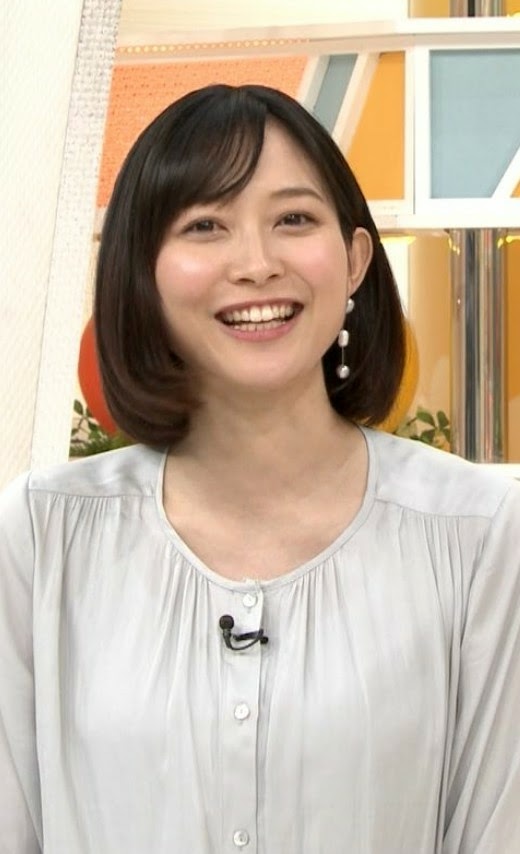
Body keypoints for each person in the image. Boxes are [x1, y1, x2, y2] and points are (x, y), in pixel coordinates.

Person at [1, 83, 519, 854]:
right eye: (205, 225)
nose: (256, 264)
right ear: (144, 272)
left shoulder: (478, 535)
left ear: (355, 260)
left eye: (294, 220)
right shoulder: (44, 534)